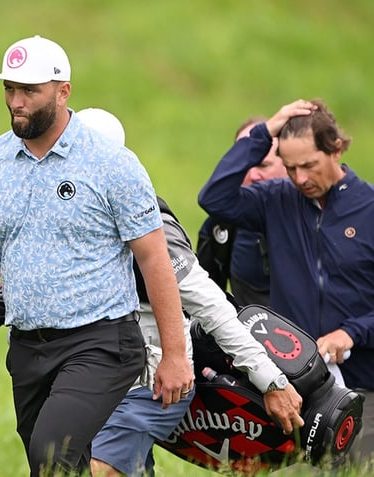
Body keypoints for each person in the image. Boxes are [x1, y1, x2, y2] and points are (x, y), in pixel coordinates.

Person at [0, 35, 193, 476]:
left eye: (29, 91)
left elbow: (155, 259)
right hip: (27, 347)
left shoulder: (112, 163)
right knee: (55, 466)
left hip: (101, 343)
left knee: (51, 454)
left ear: (63, 91)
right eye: (9, 89)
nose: (16, 102)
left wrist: (174, 355)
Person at [69, 109, 304, 477]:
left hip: (145, 385)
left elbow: (211, 307)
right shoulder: (65, 217)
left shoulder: (149, 224)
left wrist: (270, 381)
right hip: (87, 382)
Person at [198, 98, 374, 464]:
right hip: (301, 384)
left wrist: (353, 332)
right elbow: (214, 197)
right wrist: (265, 133)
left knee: (357, 467)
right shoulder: (277, 199)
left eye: (309, 165)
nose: (301, 179)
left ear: (336, 149)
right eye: (291, 168)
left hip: (364, 381)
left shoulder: (369, 208)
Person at [196, 117, 287, 307]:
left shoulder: (314, 216)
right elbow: (203, 302)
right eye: (244, 166)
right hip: (248, 334)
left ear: (288, 163)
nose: (253, 175)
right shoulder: (220, 225)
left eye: (263, 165)